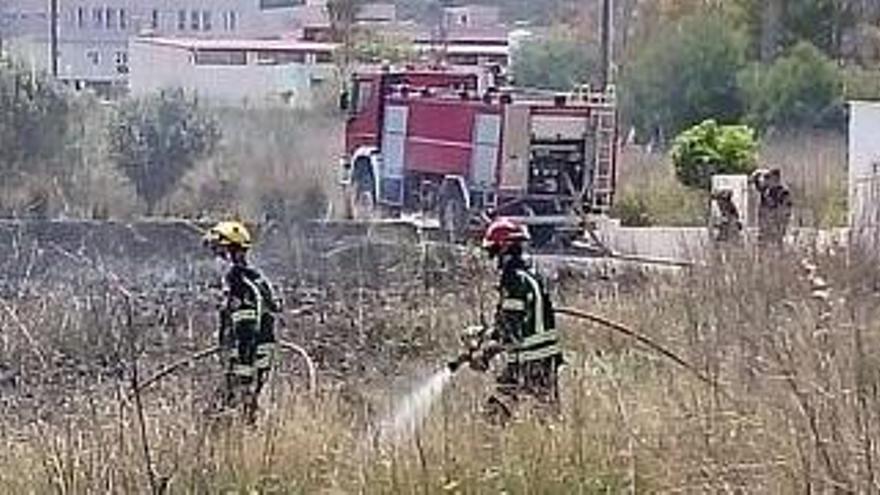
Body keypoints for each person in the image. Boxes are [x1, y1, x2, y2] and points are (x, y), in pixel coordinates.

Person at [469, 218, 563, 423]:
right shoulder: (530, 276)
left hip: (529, 360)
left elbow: (510, 333)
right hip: (546, 360)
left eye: (493, 251)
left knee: (494, 416)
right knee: (548, 421)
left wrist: (484, 351)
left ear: (503, 249)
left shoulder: (513, 279)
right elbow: (517, 322)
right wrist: (486, 335)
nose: (492, 258)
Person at [202, 221, 281, 423]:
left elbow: (247, 333)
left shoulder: (241, 286)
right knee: (238, 418)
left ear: (233, 253)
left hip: (248, 365)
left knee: (224, 420)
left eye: (219, 253)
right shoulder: (254, 280)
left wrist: (243, 379)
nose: (216, 260)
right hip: (253, 364)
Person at [753, 168, 792, 246]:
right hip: (765, 226)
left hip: (776, 226)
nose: (767, 181)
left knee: (776, 247)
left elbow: (785, 210)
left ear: (775, 178)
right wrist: (756, 176)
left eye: (769, 178)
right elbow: (758, 186)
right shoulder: (767, 190)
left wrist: (780, 226)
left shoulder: (783, 192)